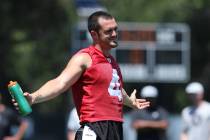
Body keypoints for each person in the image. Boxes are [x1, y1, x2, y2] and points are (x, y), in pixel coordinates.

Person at [13, 11, 150, 140]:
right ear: (94, 34)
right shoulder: (84, 58)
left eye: (115, 29)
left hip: (115, 129)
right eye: (109, 31)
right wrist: (34, 97)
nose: (114, 34)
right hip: (94, 129)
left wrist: (130, 102)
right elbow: (60, 83)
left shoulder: (112, 62)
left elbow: (115, 90)